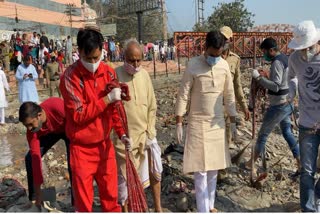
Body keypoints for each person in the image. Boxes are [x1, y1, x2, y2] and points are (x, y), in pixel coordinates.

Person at [59, 27, 130, 212]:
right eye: (89, 58)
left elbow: (114, 110)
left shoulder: (108, 72)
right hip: (81, 149)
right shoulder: (70, 77)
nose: (93, 63)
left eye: (97, 58)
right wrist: (106, 99)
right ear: (79, 51)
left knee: (111, 197)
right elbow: (78, 114)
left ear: (102, 50)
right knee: (84, 201)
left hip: (105, 146)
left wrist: (122, 134)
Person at [175, 31, 237, 212]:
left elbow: (229, 94)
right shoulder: (193, 66)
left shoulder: (224, 66)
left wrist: (233, 120)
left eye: (218, 55)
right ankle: (203, 209)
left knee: (214, 169)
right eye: (212, 55)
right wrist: (179, 120)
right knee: (200, 170)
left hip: (216, 124)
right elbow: (183, 94)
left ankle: (210, 205)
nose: (215, 58)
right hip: (197, 123)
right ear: (205, 47)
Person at [114, 38, 162, 212]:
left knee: (155, 171)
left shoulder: (144, 75)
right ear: (123, 57)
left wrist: (150, 131)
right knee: (125, 180)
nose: (135, 64)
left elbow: (152, 106)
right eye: (131, 60)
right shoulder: (115, 74)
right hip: (124, 140)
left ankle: (157, 208)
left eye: (138, 60)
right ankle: (127, 210)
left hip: (145, 135)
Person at [245, 38, 300, 173]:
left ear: (271, 50)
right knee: (287, 132)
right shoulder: (285, 58)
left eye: (264, 51)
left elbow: (275, 86)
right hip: (287, 102)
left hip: (278, 105)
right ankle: (300, 163)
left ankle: (251, 164)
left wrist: (258, 78)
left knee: (262, 134)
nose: (264, 54)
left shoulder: (276, 62)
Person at [287, 20, 320, 212]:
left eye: (307, 48)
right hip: (307, 125)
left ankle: (316, 195)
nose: (304, 52)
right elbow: (291, 76)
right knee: (307, 171)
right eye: (301, 48)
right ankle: (308, 209)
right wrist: (291, 92)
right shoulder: (294, 59)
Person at [18, 98, 72, 208]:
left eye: (30, 124)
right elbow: (36, 158)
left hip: (68, 128)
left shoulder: (57, 107)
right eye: (26, 126)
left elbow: (76, 122)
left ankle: (76, 202)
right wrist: (38, 195)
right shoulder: (32, 131)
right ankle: (34, 199)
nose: (29, 128)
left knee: (73, 163)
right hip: (50, 132)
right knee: (30, 159)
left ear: (39, 115)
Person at [220, 26, 250, 146]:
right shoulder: (211, 57)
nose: (223, 41)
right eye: (221, 38)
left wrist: (244, 106)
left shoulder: (235, 59)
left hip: (227, 104)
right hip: (212, 103)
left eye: (225, 39)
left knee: (227, 135)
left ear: (231, 40)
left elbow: (237, 85)